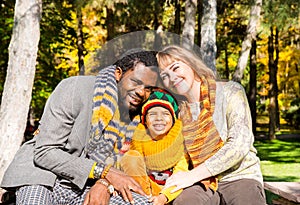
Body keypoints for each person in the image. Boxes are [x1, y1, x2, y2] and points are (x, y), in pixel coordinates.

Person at [1, 50, 160, 205]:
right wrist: (104, 172)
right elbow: (45, 152)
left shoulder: (137, 116)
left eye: (148, 88)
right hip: (42, 176)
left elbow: (124, 164)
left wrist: (104, 184)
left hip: (85, 186)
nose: (141, 92)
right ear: (118, 74)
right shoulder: (75, 87)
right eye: (136, 81)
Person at [156, 45, 266, 205]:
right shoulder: (180, 112)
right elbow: (181, 156)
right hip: (204, 182)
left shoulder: (231, 92)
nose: (172, 78)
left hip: (240, 176)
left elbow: (239, 145)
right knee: (186, 201)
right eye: (165, 75)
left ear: (191, 63)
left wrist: (191, 176)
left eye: (175, 68)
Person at [120, 88, 189, 205]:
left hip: (168, 195)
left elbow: (180, 174)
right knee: (130, 157)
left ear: (173, 120)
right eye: (152, 114)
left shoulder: (179, 143)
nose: (159, 118)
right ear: (145, 120)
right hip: (143, 191)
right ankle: (144, 199)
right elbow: (123, 167)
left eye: (165, 114)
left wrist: (163, 197)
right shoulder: (137, 138)